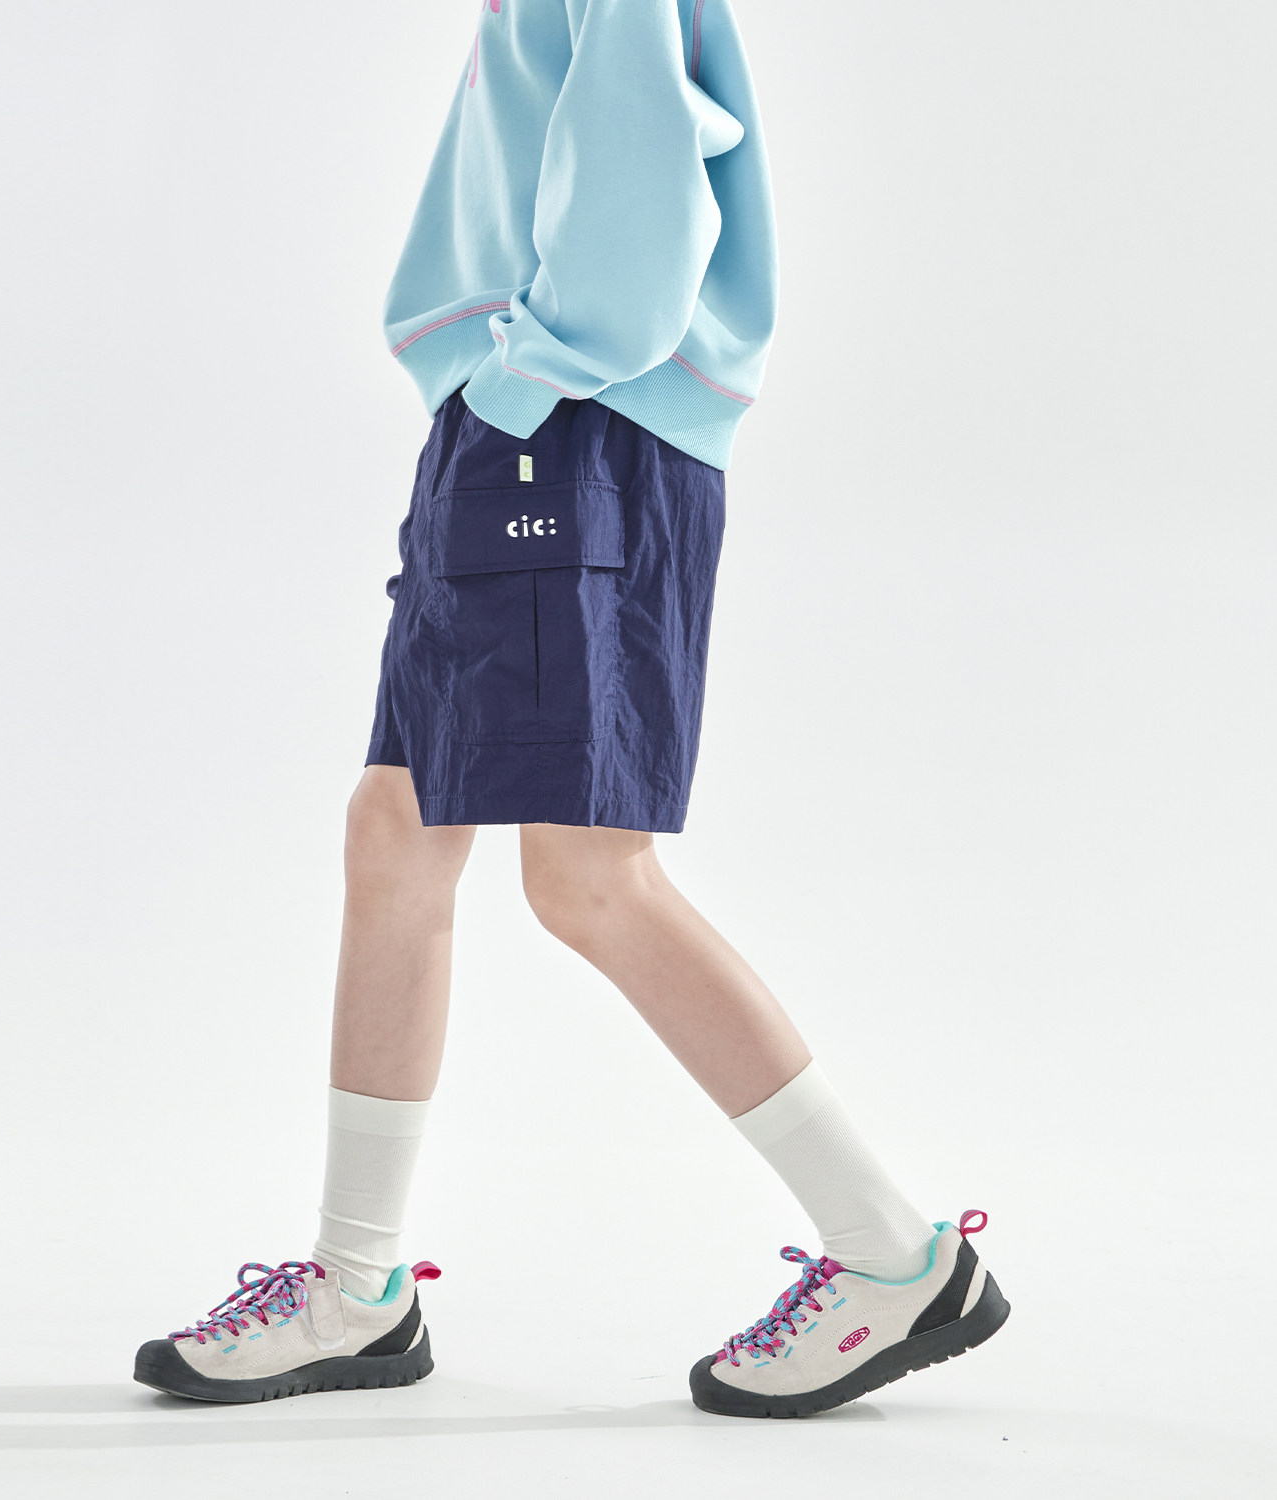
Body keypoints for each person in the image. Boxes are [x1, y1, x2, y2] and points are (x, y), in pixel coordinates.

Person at [133, 0, 1008, 1419]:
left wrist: (521, 385)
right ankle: (358, 1288)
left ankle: (891, 1253)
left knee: (590, 875)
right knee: (397, 829)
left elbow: (641, 196)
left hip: (569, 422)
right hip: (533, 423)